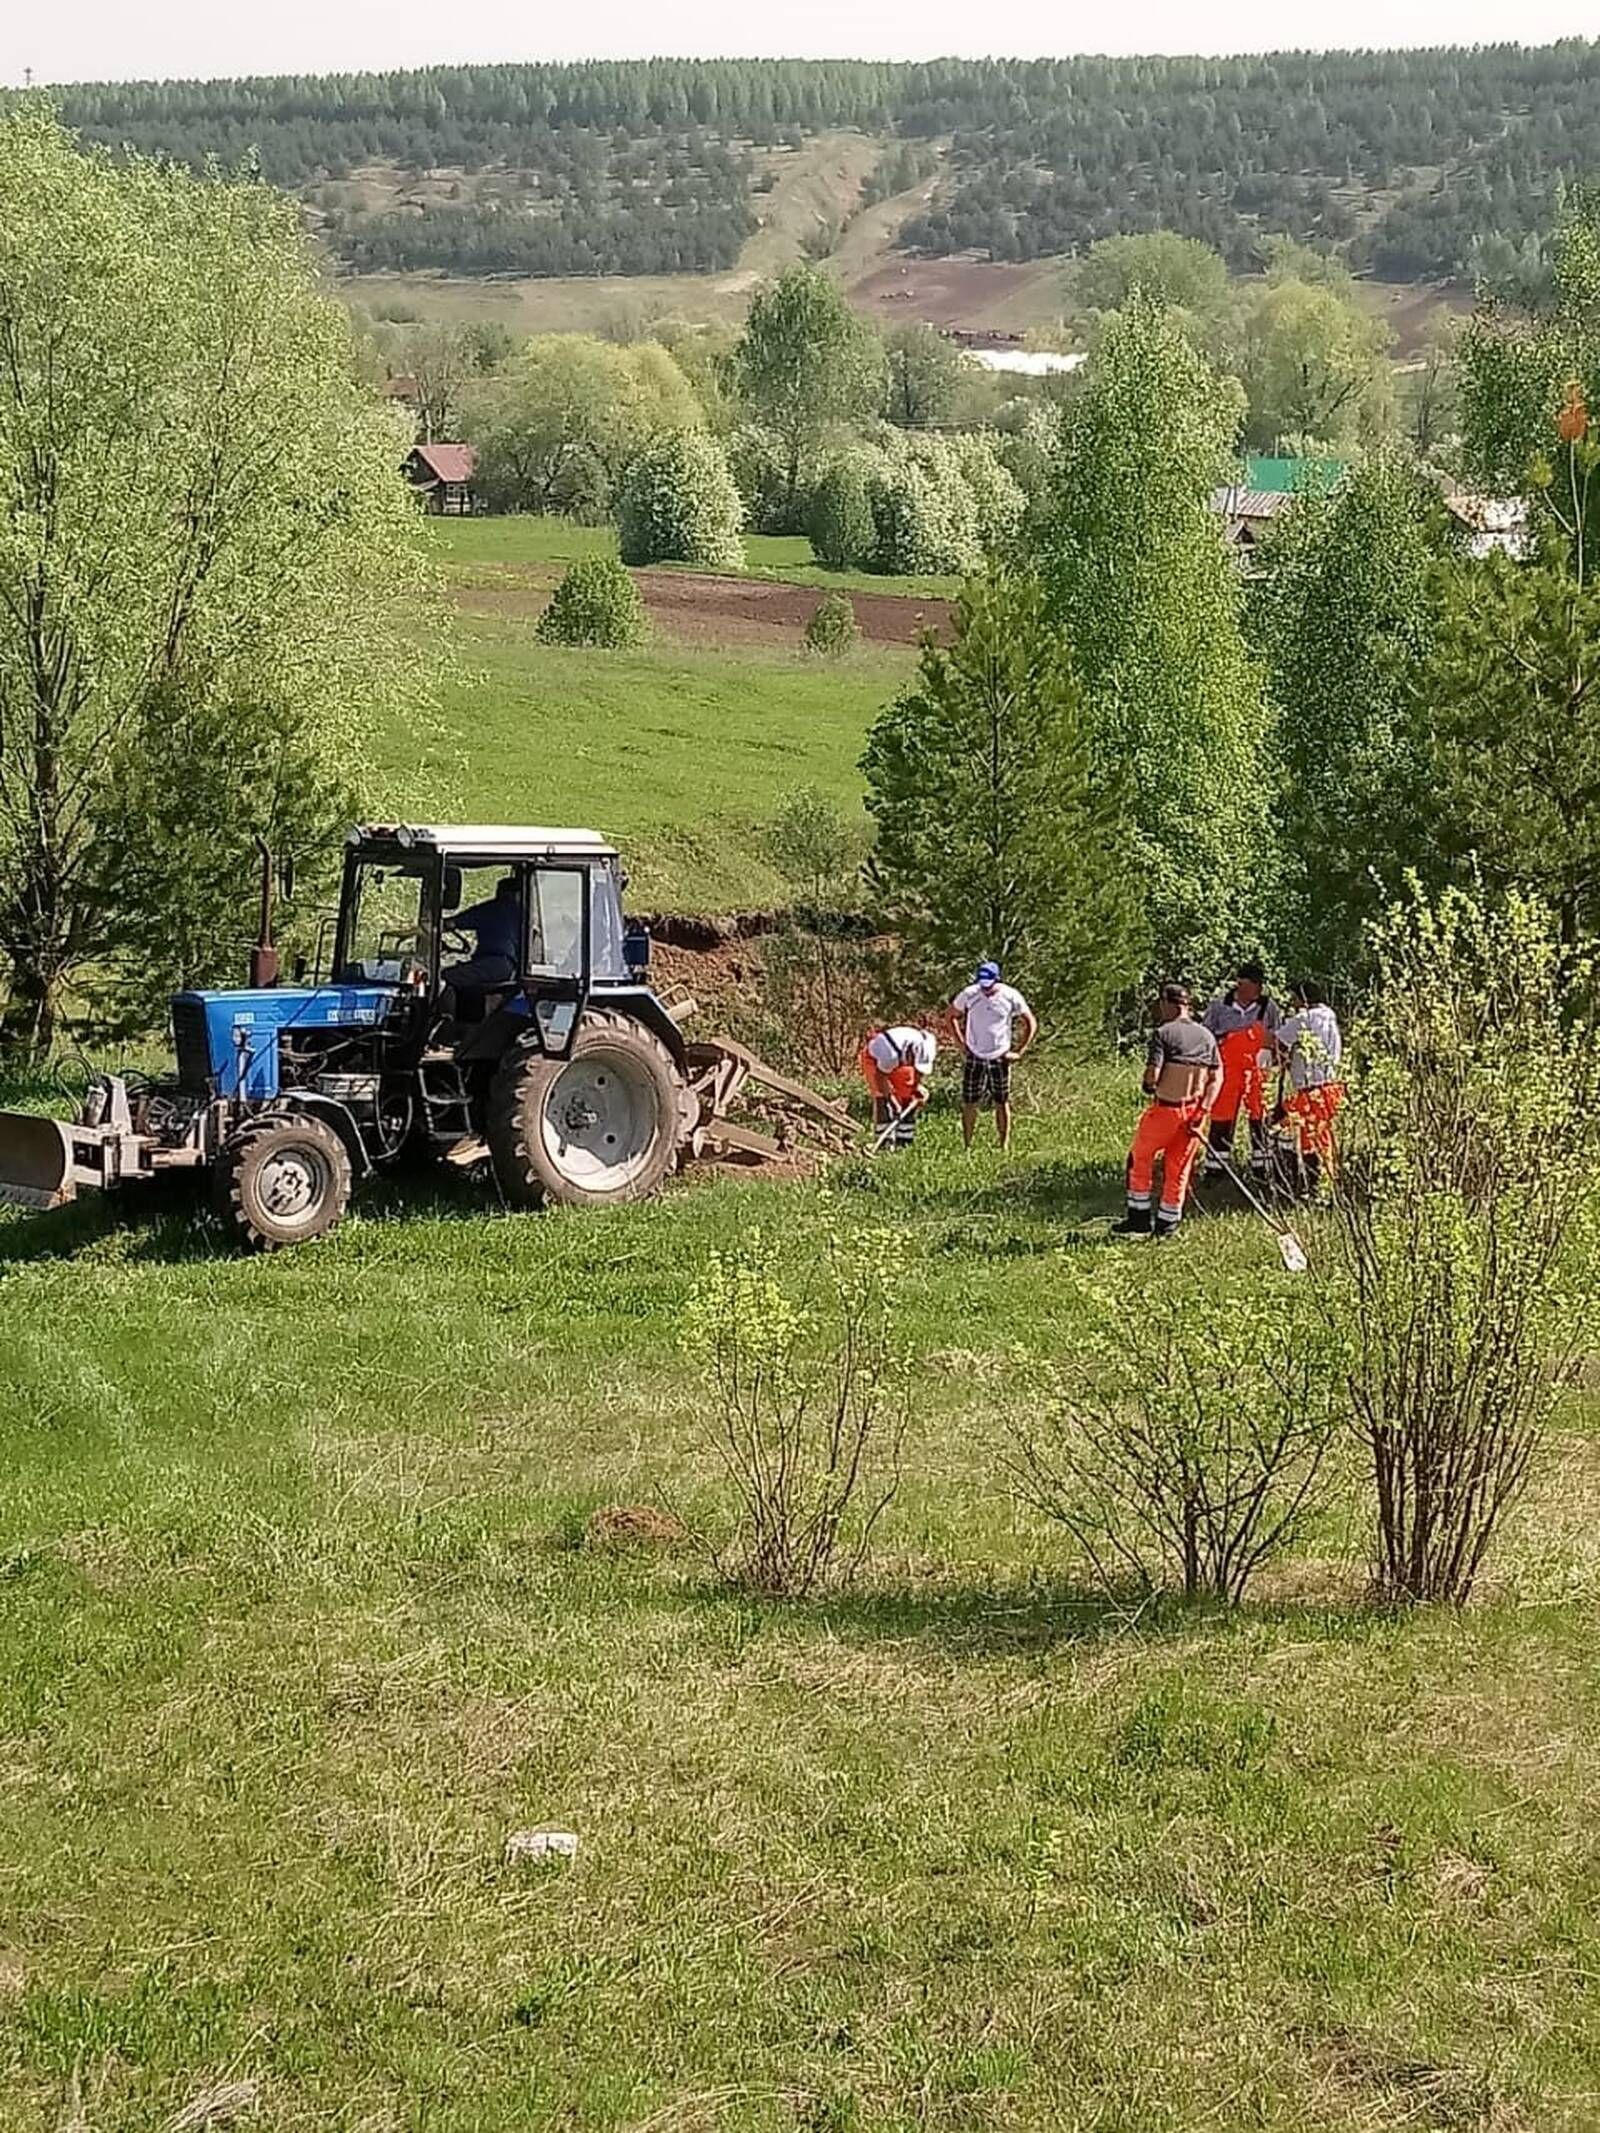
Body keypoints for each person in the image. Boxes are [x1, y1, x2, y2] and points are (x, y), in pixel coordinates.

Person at [1114, 982, 1224, 1241]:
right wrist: (1204, 1110)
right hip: (1195, 1112)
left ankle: (1139, 1221)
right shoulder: (1206, 1036)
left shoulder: (1164, 1033)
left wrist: (1148, 1085)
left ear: (1168, 1003)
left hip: (1166, 1110)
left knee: (1139, 1159)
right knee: (1179, 1168)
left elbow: (1153, 1074)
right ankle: (1167, 1225)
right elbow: (1217, 1077)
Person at [1203, 958, 1280, 1176]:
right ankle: (1216, 1169)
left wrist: (1270, 1053)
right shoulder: (1219, 1006)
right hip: (1227, 1071)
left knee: (1260, 1117)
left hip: (1258, 1072)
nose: (1257, 990)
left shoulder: (1269, 1007)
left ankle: (1262, 1169)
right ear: (1240, 984)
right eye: (1252, 985)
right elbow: (1206, 1036)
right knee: (1221, 1117)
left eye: (1259, 986)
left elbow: (1277, 1034)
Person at [951, 961, 1037, 1150]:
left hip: (1000, 1056)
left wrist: (1019, 1051)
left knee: (1001, 1101)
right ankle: (967, 1146)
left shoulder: (1010, 995)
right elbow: (951, 1016)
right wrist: (960, 1043)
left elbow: (1030, 1022)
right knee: (970, 1101)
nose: (985, 987)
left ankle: (1003, 1145)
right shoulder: (969, 994)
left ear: (996, 979)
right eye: (982, 983)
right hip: (975, 1055)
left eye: (989, 983)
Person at [1273, 979, 1345, 1188]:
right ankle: (1329, 1181)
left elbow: (1277, 1042)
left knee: (1307, 1140)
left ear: (1303, 999)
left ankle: (1312, 1185)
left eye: (1294, 998)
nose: (1293, 1003)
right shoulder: (1330, 1018)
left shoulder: (1304, 1019)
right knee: (1325, 1138)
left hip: (1310, 1089)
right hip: (1331, 1087)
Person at [859, 1019, 938, 1148]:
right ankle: (884, 1145)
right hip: (874, 1061)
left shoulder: (926, 1045)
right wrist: (891, 1100)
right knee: (883, 1101)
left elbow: (918, 1072)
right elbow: (880, 1078)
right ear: (911, 1053)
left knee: (908, 1095)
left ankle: (904, 1143)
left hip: (899, 1061)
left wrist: (916, 1088)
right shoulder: (889, 1054)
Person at [442, 876, 522, 1001]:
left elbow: (452, 923)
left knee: (444, 978)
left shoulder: (491, 909)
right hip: (511, 968)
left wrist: (442, 925)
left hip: (493, 965)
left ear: (500, 892)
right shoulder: (524, 913)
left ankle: (444, 1016)